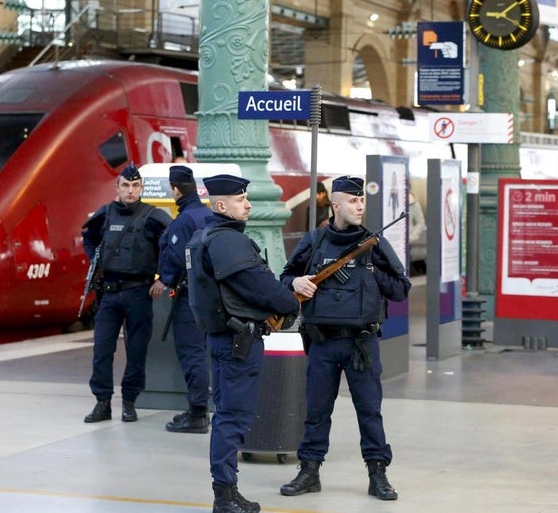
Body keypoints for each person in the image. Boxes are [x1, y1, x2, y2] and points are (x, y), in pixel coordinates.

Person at [278, 175, 411, 502]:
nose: (360, 205)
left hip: (360, 343)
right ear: (335, 204)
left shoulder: (373, 243)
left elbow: (400, 288)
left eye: (361, 200)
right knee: (317, 410)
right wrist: (296, 283)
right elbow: (285, 278)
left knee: (369, 410)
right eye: (352, 201)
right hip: (322, 342)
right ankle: (309, 471)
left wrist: (369, 271)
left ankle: (377, 474)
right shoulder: (314, 240)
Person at [186, 174, 299, 513]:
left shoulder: (201, 237)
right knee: (232, 418)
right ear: (221, 205)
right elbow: (259, 285)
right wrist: (290, 302)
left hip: (223, 340)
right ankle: (224, 496)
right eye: (240, 199)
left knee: (227, 416)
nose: (248, 204)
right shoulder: (228, 241)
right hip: (240, 343)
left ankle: (229, 491)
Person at [81, 163, 172, 423]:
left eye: (134, 186)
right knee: (102, 350)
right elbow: (88, 238)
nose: (130, 190)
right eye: (125, 186)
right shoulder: (106, 214)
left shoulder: (153, 216)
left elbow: (173, 244)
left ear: (141, 188)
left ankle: (129, 402)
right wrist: (95, 262)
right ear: (117, 188)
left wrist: (164, 278)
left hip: (139, 292)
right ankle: (102, 402)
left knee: (136, 350)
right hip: (108, 294)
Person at [157, 165, 214, 434]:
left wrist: (165, 278)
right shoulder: (208, 214)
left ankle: (198, 413)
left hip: (188, 297)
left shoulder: (184, 220)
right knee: (205, 353)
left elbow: (177, 258)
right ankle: (198, 409)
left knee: (192, 354)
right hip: (209, 296)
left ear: (175, 189)